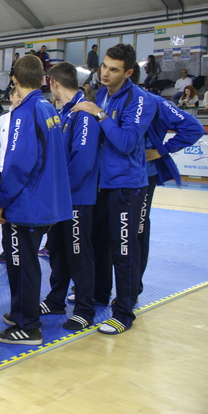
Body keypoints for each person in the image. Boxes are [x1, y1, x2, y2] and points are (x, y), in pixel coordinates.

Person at [71, 43, 156, 335]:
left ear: (128, 72)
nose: (105, 73)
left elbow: (126, 143)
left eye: (113, 69)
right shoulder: (101, 94)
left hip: (126, 186)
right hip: (99, 184)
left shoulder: (139, 99)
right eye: (104, 66)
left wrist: (99, 114)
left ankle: (123, 313)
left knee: (124, 249)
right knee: (99, 245)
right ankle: (98, 293)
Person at [0, 54, 72, 345]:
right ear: (43, 79)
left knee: (22, 264)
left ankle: (28, 325)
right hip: (45, 200)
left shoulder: (24, 112)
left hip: (26, 204)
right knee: (24, 263)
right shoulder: (48, 107)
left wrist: (0, 199)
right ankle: (21, 313)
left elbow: (18, 163)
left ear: (14, 79)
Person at [41, 62, 101, 330]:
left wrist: (61, 193)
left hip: (77, 199)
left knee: (78, 253)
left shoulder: (83, 114)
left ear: (54, 83)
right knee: (57, 250)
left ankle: (85, 309)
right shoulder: (64, 113)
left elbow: (82, 161)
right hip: (61, 199)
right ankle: (56, 299)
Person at [138, 91, 204, 299]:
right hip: (112, 176)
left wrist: (162, 150)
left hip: (144, 175)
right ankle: (99, 285)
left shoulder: (153, 101)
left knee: (138, 229)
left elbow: (194, 128)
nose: (105, 75)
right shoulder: (104, 99)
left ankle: (132, 287)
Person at [0, 86, 21, 264]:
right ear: (10, 96)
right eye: (17, 95)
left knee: (16, 211)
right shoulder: (3, 119)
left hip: (17, 170)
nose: (20, 99)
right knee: (3, 213)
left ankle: (17, 248)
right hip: (4, 170)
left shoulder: (26, 117)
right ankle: (7, 249)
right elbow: (1, 146)